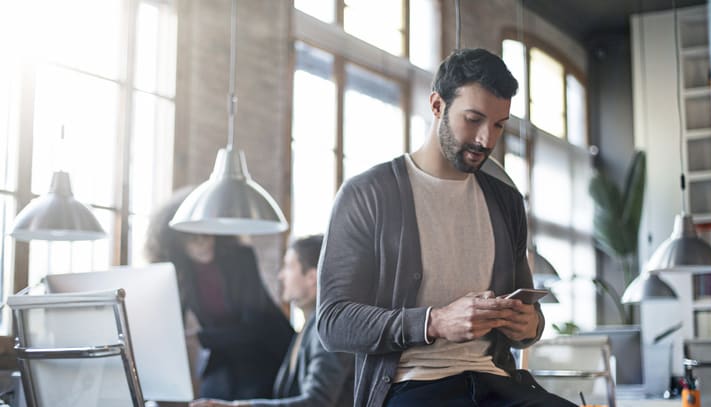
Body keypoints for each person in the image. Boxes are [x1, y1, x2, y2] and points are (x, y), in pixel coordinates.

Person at [316, 48, 576, 407]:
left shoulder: (507, 203)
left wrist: (528, 326)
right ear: (437, 105)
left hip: (496, 382)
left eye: (499, 125)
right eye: (473, 119)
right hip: (412, 387)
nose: (487, 139)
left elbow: (530, 322)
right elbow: (333, 322)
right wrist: (434, 322)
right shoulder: (368, 194)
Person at [144, 187, 294, 401]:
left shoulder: (241, 257)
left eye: (206, 232)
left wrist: (201, 337)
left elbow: (255, 327)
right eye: (192, 237)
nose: (203, 242)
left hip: (264, 351)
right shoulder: (180, 273)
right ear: (175, 241)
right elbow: (172, 321)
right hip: (224, 356)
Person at [190, 234, 354, 407]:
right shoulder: (308, 327)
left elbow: (317, 402)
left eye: (289, 266)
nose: (281, 275)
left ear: (311, 277)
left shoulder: (327, 331)